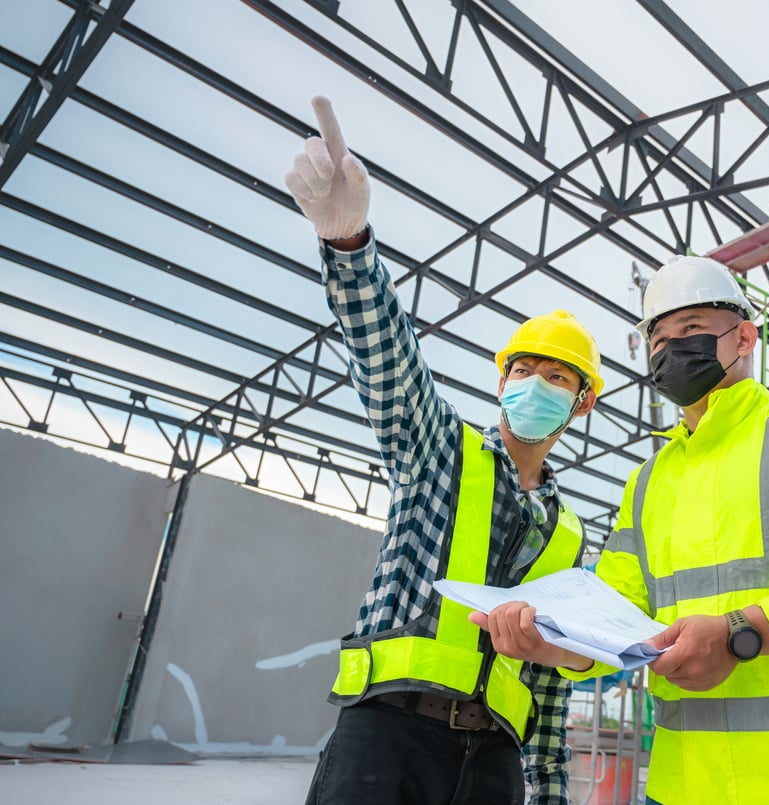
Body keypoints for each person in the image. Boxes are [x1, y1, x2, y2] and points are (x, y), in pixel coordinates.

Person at [472, 255, 769, 803]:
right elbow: (616, 611)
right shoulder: (648, 482)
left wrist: (744, 632)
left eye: (691, 329)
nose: (671, 348)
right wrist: (560, 647)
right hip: (683, 785)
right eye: (659, 337)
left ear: (744, 338)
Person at [286, 96, 604, 805]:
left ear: (582, 402)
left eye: (556, 378)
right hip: (388, 734)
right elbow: (389, 361)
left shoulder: (571, 533)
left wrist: (547, 792)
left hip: (495, 758)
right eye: (523, 371)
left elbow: (549, 689)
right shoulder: (440, 449)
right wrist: (349, 244)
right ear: (501, 381)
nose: (535, 385)